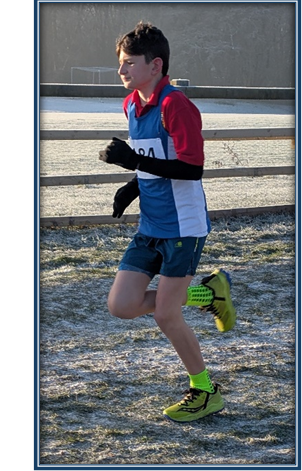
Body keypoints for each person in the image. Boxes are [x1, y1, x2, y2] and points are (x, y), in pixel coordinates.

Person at [99, 22, 236, 422]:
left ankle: (205, 390)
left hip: (183, 227)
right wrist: (133, 185)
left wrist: (135, 162)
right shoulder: (132, 106)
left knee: (164, 314)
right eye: (120, 64)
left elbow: (192, 169)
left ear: (155, 65)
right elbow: (155, 158)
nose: (122, 71)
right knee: (121, 305)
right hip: (151, 226)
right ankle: (209, 295)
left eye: (129, 64)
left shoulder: (176, 105)